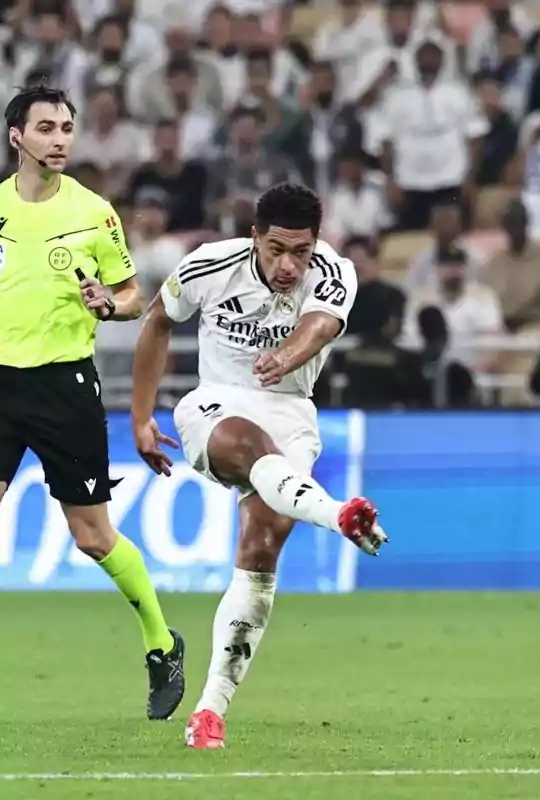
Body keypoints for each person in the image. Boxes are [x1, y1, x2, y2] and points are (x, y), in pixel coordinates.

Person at [129, 183, 389, 750]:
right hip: (217, 403)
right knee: (247, 444)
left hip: (292, 412)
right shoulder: (208, 265)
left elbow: (322, 325)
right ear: (255, 237)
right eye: (276, 250)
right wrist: (142, 417)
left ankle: (209, 711)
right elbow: (156, 323)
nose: (289, 264)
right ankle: (339, 513)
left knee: (261, 547)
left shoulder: (335, 270)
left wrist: (288, 354)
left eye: (301, 251)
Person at [0, 85, 185, 721]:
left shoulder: (94, 212)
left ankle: (162, 644)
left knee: (93, 537)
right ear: (16, 136)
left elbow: (133, 293)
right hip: (1, 383)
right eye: (47, 127)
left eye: (68, 128)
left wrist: (112, 306)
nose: (60, 139)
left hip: (64, 386)